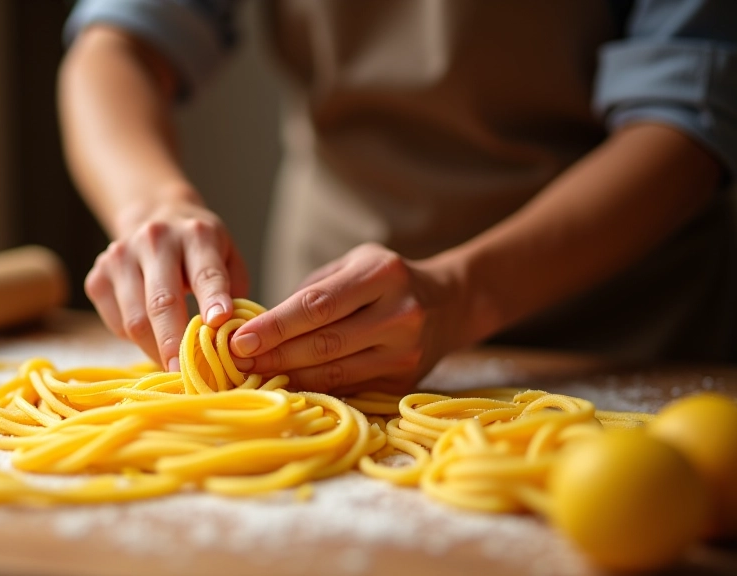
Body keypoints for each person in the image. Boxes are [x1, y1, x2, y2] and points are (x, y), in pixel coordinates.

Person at [58, 0, 737, 396]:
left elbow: (688, 121)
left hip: (625, 327)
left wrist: (464, 293)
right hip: (328, 325)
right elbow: (116, 43)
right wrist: (154, 204)